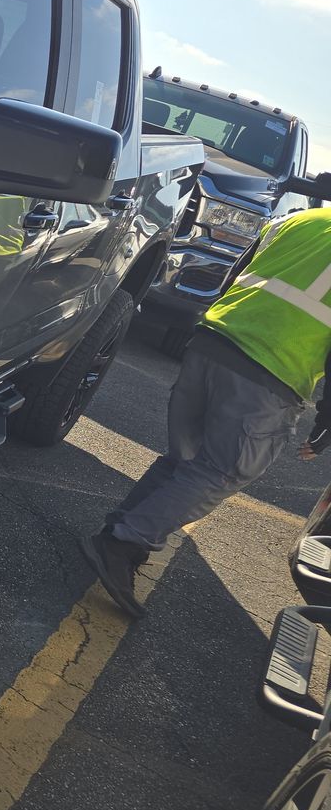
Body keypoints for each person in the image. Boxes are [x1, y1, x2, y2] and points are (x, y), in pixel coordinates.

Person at [81, 206, 331, 617]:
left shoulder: (299, 219)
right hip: (271, 369)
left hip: (214, 340)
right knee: (223, 470)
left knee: (187, 460)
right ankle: (123, 542)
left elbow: (236, 274)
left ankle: (121, 533)